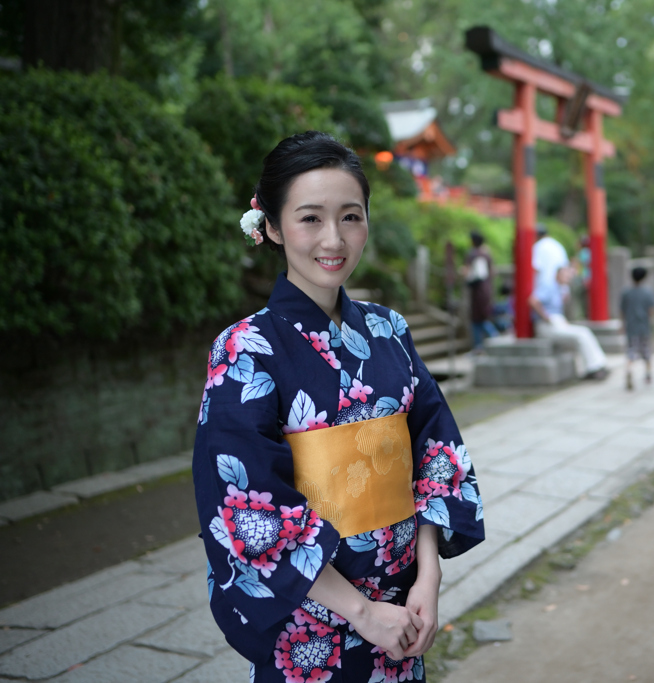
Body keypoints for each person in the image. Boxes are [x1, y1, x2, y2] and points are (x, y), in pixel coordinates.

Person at [194, 131, 485, 683]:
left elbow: (435, 452)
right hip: (313, 618)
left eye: (351, 216)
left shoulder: (388, 329)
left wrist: (428, 579)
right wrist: (361, 611)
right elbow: (244, 506)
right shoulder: (244, 349)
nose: (334, 238)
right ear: (273, 227)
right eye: (310, 219)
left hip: (403, 606)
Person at [529, 266, 608, 380]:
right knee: (581, 334)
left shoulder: (561, 289)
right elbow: (533, 301)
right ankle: (594, 367)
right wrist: (546, 317)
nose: (567, 278)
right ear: (557, 275)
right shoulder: (548, 286)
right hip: (547, 324)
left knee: (584, 332)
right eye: (565, 275)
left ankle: (596, 366)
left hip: (558, 322)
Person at [620, 266, 654, 390]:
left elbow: (622, 311)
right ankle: (648, 373)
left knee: (631, 351)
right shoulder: (648, 292)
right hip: (644, 326)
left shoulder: (626, 292)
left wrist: (622, 324)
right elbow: (651, 310)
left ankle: (629, 369)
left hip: (631, 327)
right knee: (646, 351)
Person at [463, 231, 498, 351]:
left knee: (478, 320)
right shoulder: (487, 255)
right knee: (483, 318)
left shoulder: (472, 255)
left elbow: (466, 272)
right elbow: (493, 272)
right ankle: (488, 343)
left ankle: (486, 343)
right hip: (487, 291)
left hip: (477, 292)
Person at [532, 223, 569, 292]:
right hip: (560, 289)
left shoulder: (538, 246)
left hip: (543, 288)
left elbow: (535, 268)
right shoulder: (558, 245)